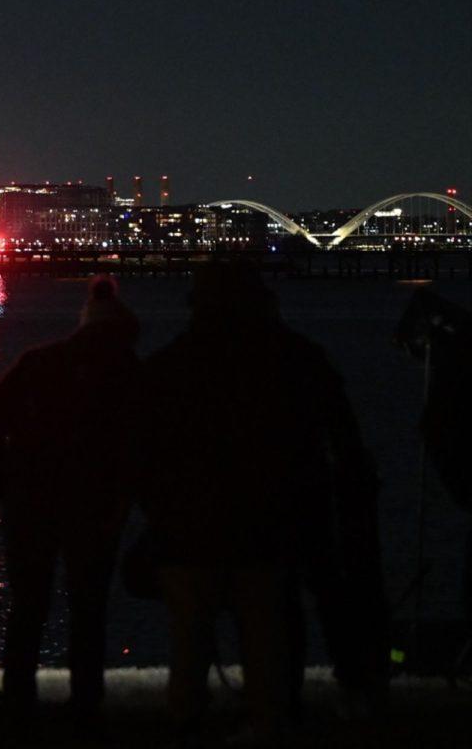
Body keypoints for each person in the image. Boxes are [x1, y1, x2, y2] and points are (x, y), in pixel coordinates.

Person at [140, 265, 384, 746]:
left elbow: (142, 448)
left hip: (195, 519)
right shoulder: (298, 357)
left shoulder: (170, 365)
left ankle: (187, 718)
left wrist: (157, 507)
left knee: (194, 627)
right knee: (278, 618)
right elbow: (344, 435)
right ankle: (286, 708)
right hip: (285, 511)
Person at [0, 276, 140, 731]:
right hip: (96, 507)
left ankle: (18, 702)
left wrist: (3, 486)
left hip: (30, 502)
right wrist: (126, 500)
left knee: (28, 606)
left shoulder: (38, 361)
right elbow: (141, 445)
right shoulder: (127, 371)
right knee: (89, 609)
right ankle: (85, 702)